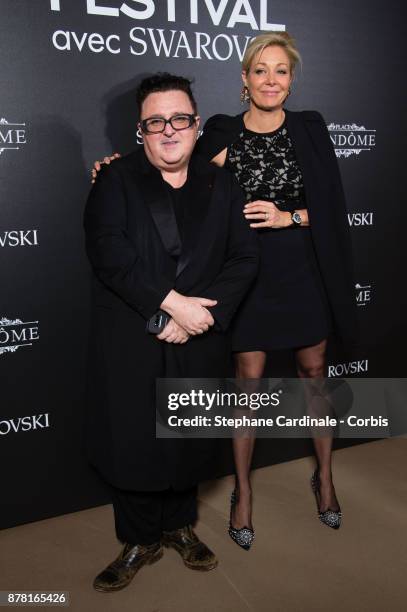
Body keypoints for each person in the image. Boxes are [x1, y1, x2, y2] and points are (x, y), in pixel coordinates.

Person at [92, 32, 356, 546]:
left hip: (303, 267)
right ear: (244, 78)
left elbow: (334, 205)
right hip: (246, 275)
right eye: (261, 70)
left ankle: (324, 479)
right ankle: (243, 492)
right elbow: (173, 160)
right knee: (247, 386)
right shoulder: (220, 130)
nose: (271, 80)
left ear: (291, 79)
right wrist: (116, 167)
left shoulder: (309, 127)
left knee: (315, 375)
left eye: (281, 70)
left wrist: (289, 216)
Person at [84, 72, 259, 592]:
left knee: (187, 436)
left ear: (196, 124)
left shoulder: (222, 182)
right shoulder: (115, 180)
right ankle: (139, 538)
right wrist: (171, 306)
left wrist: (201, 317)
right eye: (155, 122)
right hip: (134, 337)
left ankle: (181, 526)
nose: (168, 131)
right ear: (141, 130)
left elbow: (244, 258)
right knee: (134, 438)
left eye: (179, 119)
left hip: (198, 336)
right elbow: (109, 255)